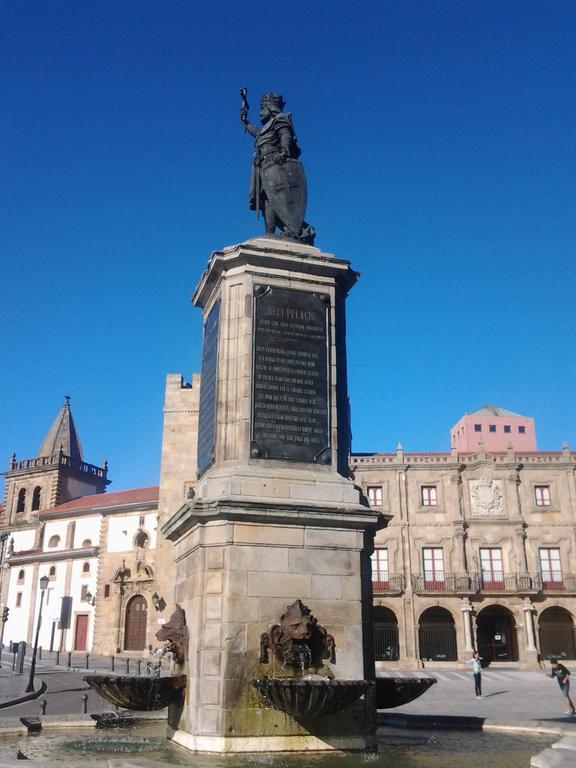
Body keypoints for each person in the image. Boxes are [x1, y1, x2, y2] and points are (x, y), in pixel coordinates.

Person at [240, 90, 315, 244]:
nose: (260, 113)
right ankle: (270, 233)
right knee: (267, 199)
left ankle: (294, 228)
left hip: (276, 165)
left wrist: (284, 151)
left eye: (263, 109)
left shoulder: (279, 120)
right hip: (264, 167)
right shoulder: (262, 132)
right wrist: (245, 120)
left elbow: (285, 136)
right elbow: (254, 130)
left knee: (278, 197)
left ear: (271, 109)